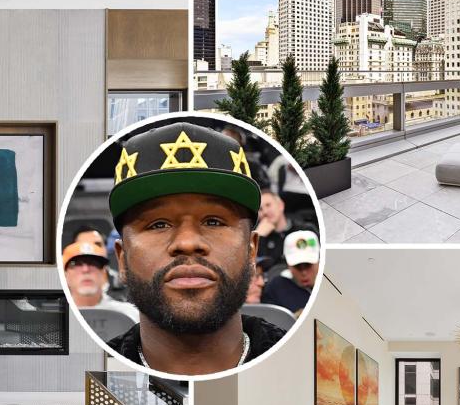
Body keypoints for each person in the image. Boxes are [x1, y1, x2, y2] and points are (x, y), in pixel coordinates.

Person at [105, 122, 286, 375]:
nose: (187, 243)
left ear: (251, 252)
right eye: (158, 224)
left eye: (214, 221)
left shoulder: (304, 365)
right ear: (122, 259)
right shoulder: (93, 374)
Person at [62, 241, 138, 321]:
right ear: (65, 274)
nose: (86, 269)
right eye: (76, 264)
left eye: (94, 263)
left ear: (103, 273)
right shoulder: (54, 317)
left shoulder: (130, 315)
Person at [261, 230, 320, 315]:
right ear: (287, 264)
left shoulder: (332, 281)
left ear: (318, 260)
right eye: (297, 266)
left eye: (308, 265)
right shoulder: (276, 288)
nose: (303, 272)